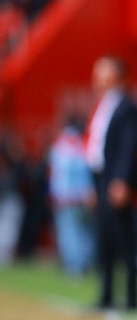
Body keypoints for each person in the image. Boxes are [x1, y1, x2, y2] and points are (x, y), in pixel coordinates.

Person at [86, 55, 137, 311]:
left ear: (117, 75)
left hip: (116, 179)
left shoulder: (127, 106)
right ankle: (106, 294)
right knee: (105, 239)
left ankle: (132, 298)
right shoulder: (103, 105)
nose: (96, 77)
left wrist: (121, 180)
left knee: (124, 238)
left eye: (103, 71)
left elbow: (129, 146)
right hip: (102, 178)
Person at [48, 116, 97, 276]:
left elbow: (57, 175)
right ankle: (87, 263)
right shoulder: (83, 144)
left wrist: (56, 196)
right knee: (85, 232)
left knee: (69, 233)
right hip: (84, 197)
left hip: (65, 198)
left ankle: (74, 266)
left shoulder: (59, 146)